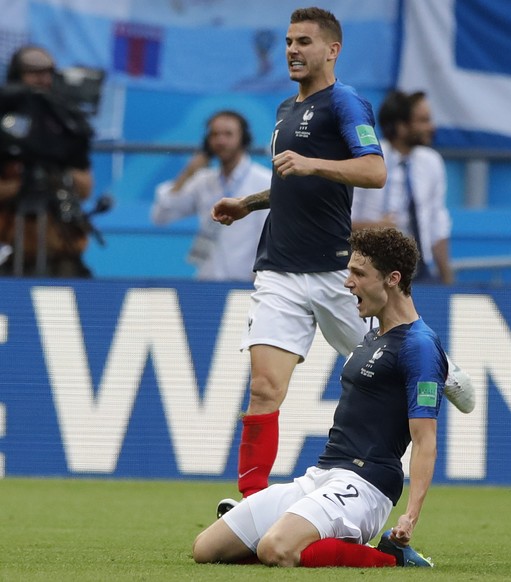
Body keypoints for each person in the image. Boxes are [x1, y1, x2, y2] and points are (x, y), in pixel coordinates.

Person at [209, 7, 474, 516]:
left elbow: (374, 172)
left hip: (337, 273)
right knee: (264, 386)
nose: (292, 50)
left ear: (332, 50)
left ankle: (440, 366)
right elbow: (294, 183)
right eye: (288, 41)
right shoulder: (286, 110)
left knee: (391, 361)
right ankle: (251, 505)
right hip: (279, 268)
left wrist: (312, 163)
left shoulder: (346, 102)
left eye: (304, 42)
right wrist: (248, 204)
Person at [192, 227, 439, 568]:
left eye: (358, 273)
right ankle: (301, 538)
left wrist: (410, 516)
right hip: (321, 475)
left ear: (393, 279)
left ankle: (389, 557)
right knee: (206, 549)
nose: (347, 282)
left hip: (366, 486)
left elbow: (425, 440)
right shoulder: (371, 337)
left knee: (275, 549)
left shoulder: (420, 346)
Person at [0, 45, 94, 277]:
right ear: (17, 75)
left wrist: (57, 175)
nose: (41, 80)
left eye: (47, 74)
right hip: (13, 249)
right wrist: (20, 185)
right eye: (33, 73)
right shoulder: (4, 119)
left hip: (61, 251)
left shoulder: (63, 120)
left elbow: (85, 187)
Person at [151, 110, 271, 281]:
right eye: (215, 135)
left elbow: (269, 240)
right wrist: (188, 172)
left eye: (228, 134)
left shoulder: (264, 181)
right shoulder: (202, 180)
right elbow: (160, 216)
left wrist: (257, 280)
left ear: (243, 138)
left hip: (246, 284)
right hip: (208, 281)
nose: (221, 141)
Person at [352, 90, 454, 284]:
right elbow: (341, 221)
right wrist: (374, 228)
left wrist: (447, 280)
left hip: (419, 273)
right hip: (372, 270)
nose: (431, 127)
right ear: (401, 127)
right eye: (423, 120)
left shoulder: (432, 162)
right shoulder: (368, 158)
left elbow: (437, 225)